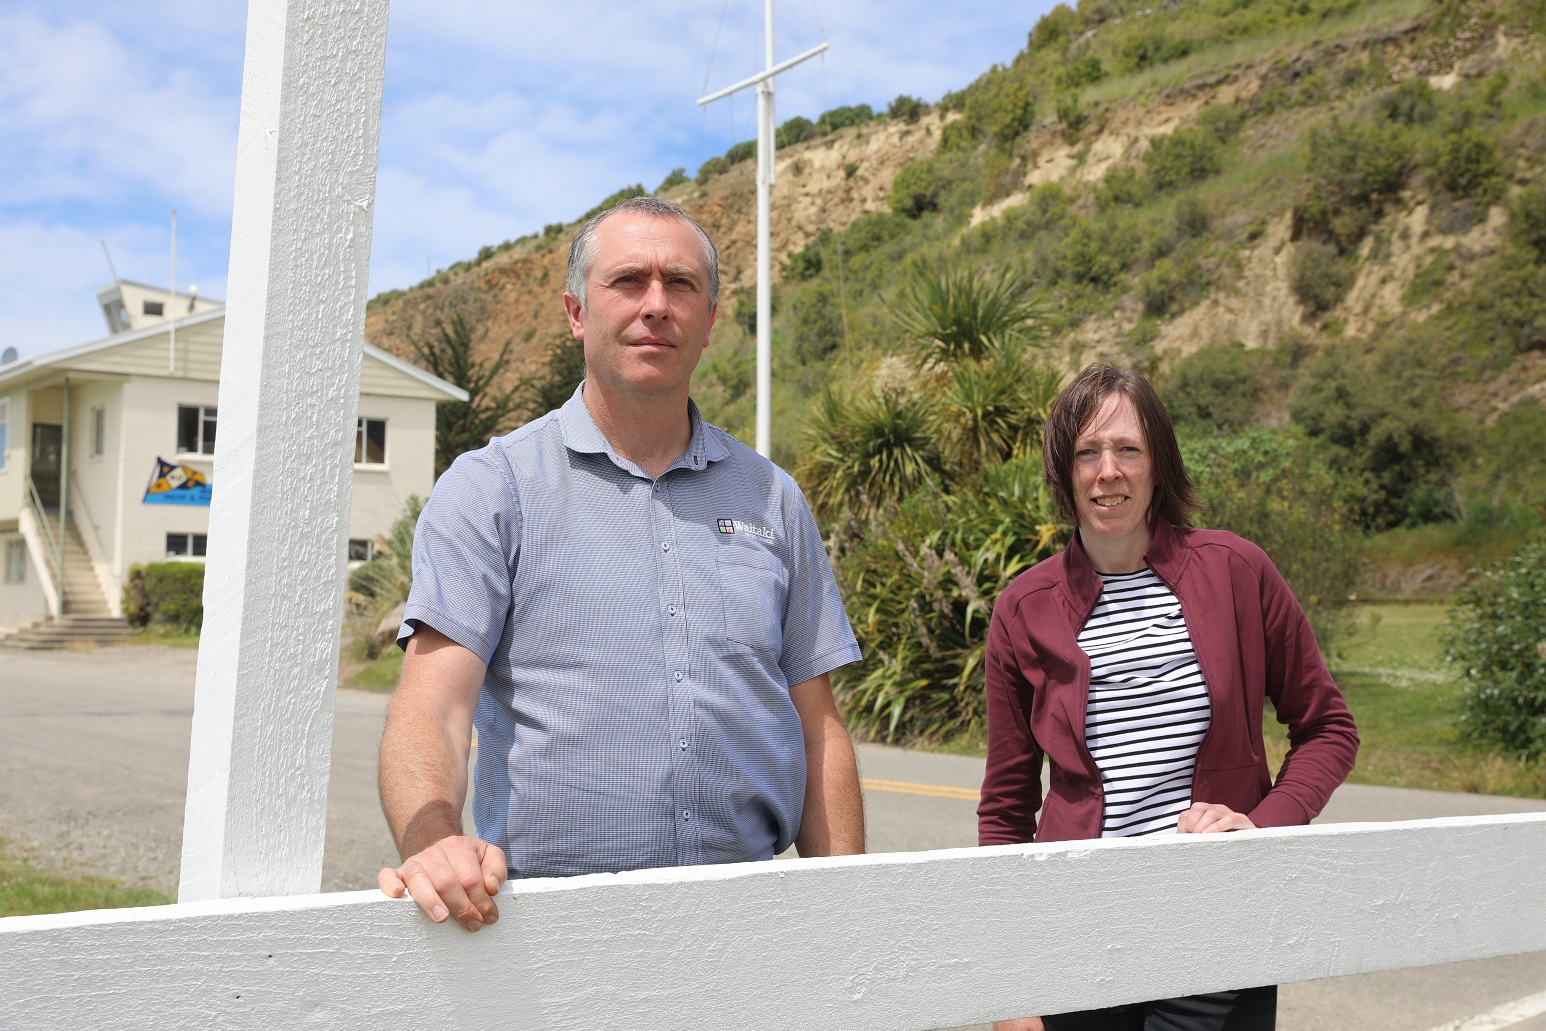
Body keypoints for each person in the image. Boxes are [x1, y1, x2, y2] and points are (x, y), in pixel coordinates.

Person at [377, 196, 865, 932]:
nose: (657, 305)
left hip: (754, 920)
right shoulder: (493, 489)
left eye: (681, 285)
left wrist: (848, 916)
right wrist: (434, 841)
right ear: (577, 312)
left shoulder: (772, 498)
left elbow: (816, 723)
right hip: (555, 932)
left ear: (711, 319)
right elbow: (433, 703)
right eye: (629, 281)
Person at [977, 362, 1359, 1031]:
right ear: (1065, 473)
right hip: (1075, 936)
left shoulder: (1237, 571)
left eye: (1128, 449)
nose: (1108, 471)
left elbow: (1328, 728)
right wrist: (1006, 985)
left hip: (1219, 925)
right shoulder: (1022, 609)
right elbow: (1008, 805)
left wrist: (1263, 827)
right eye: (1088, 452)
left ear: (1159, 463)